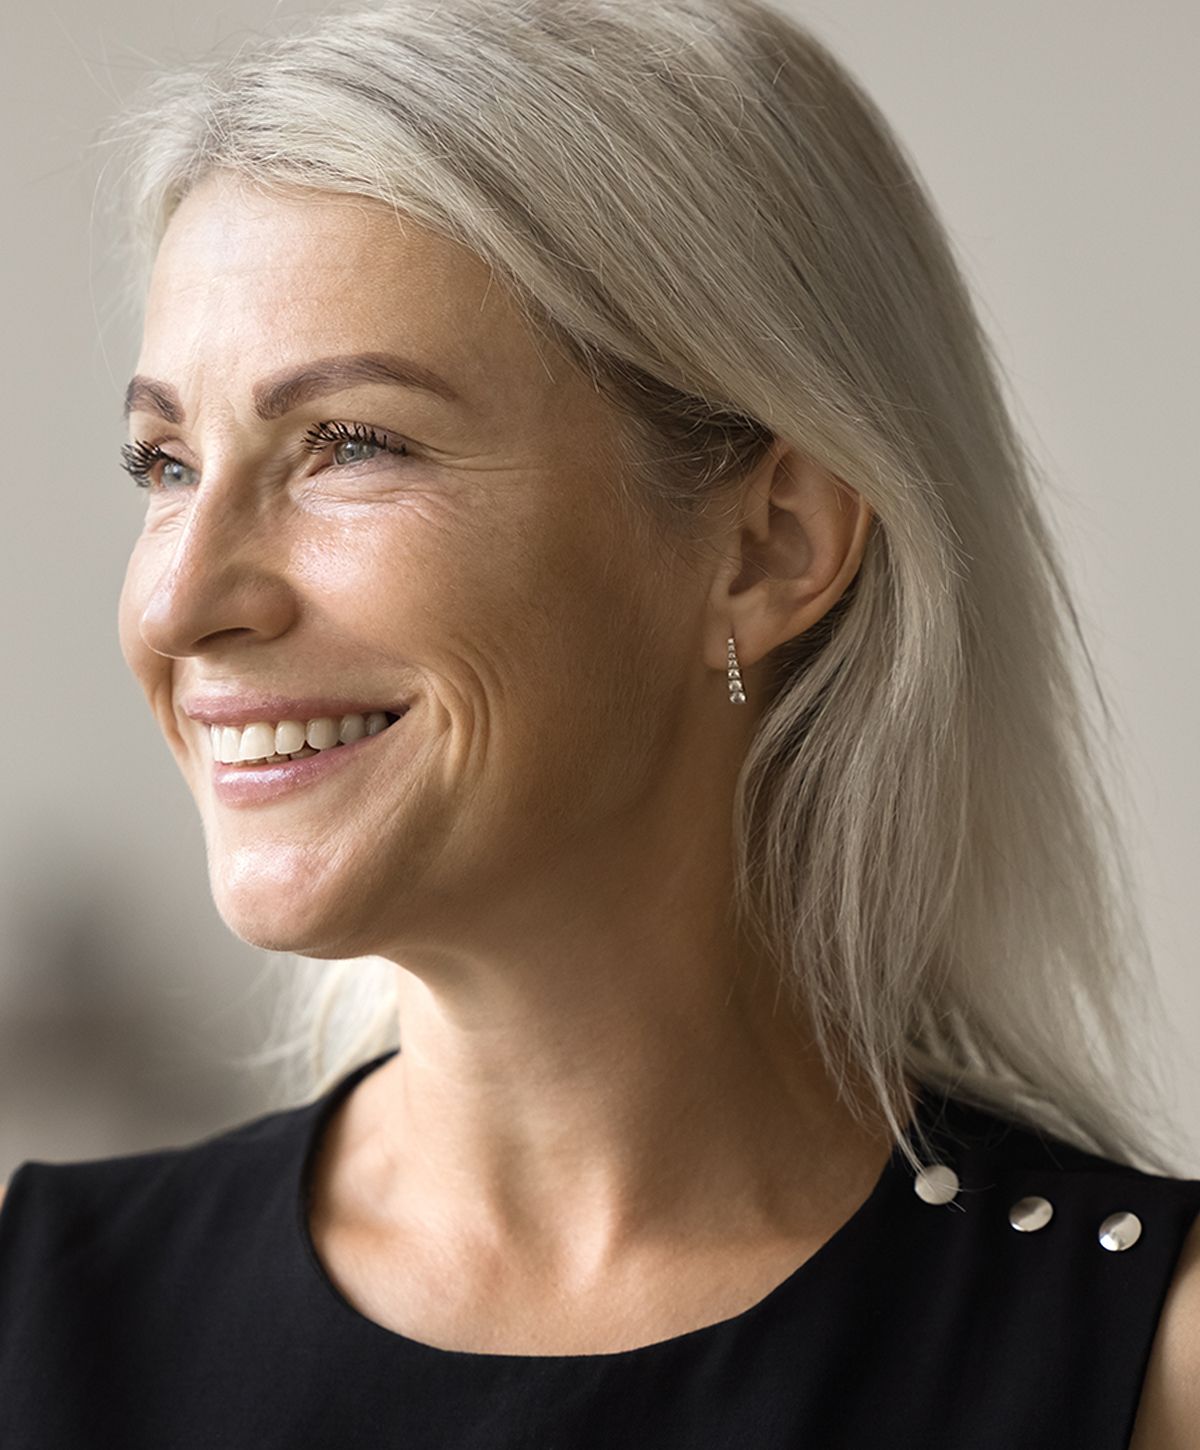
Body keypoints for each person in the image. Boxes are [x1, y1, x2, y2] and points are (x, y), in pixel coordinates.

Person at [1, 0, 1196, 1444]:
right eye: (167, 460)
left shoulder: (1153, 1371)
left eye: (351, 444)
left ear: (767, 546)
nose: (183, 599)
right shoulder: (39, 1322)